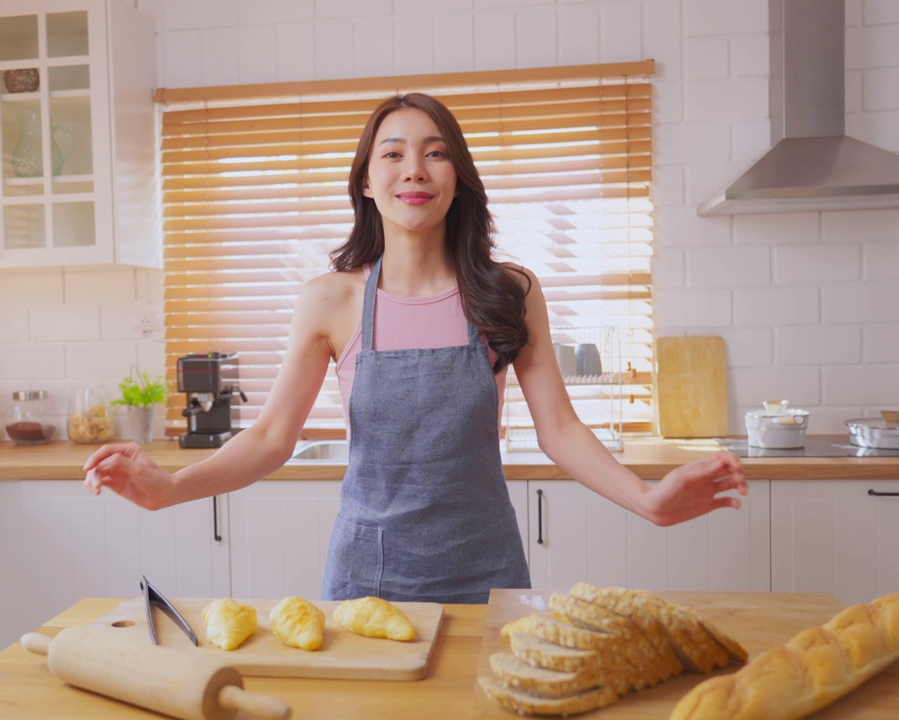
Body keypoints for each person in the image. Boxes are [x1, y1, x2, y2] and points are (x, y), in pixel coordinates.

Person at [83, 92, 747, 604]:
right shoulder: (331, 301)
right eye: (393, 154)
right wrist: (170, 488)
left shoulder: (508, 292)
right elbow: (271, 438)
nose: (415, 170)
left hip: (486, 572)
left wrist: (649, 501)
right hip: (364, 574)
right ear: (367, 182)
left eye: (435, 152)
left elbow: (561, 429)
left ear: (457, 175)